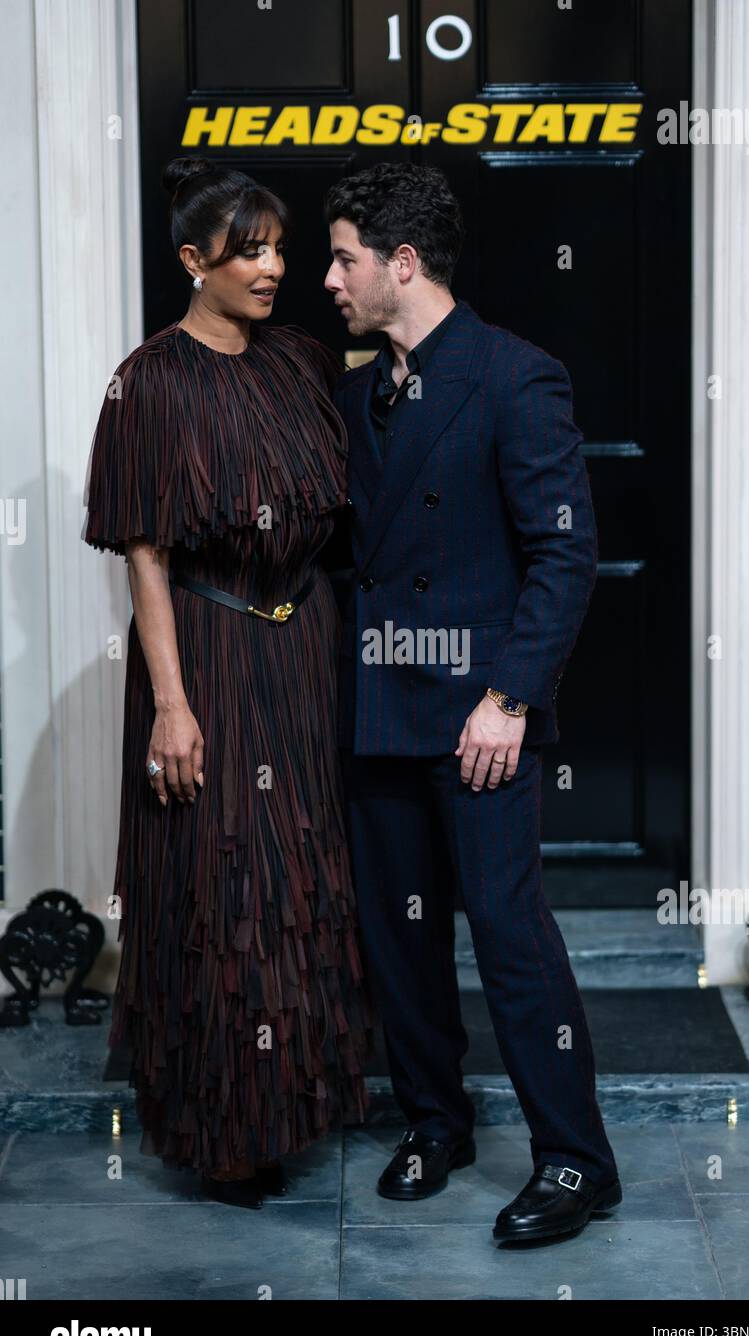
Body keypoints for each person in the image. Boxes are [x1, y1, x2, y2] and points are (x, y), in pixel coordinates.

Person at [323, 162, 621, 1243]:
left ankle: (577, 1159)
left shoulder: (513, 376)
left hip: (476, 717)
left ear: (401, 264)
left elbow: (563, 553)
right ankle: (433, 1123)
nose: (328, 278)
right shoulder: (352, 394)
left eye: (343, 257)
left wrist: (506, 697)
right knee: (397, 940)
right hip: (378, 710)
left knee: (506, 932)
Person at [82, 157, 373, 1210]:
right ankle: (228, 1127)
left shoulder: (298, 359)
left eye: (280, 248)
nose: (271, 266)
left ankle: (297, 1101)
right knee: (223, 884)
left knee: (298, 880)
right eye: (247, 249)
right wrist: (169, 701)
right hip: (205, 652)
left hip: (301, 649)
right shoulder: (147, 380)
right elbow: (145, 551)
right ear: (191, 261)